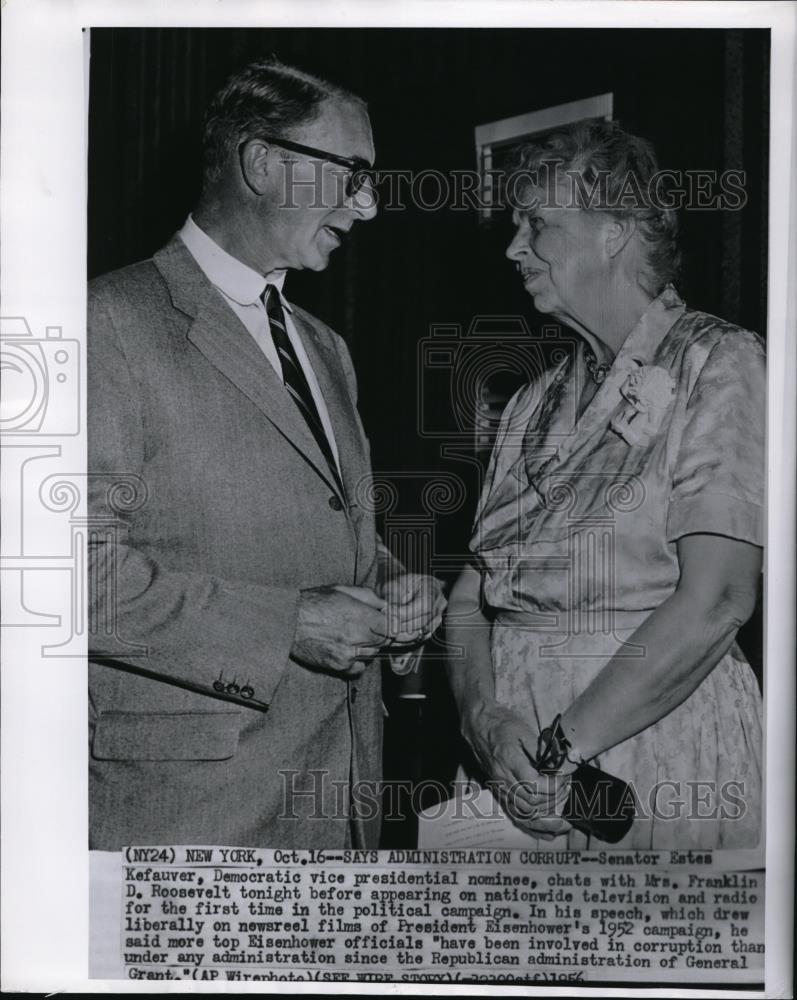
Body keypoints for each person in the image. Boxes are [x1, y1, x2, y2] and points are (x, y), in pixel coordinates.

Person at [88, 57, 444, 850]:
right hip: (190, 822)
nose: (369, 206)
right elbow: (63, 577)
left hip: (340, 806)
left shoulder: (326, 347)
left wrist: (389, 587)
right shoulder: (104, 324)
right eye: (352, 172)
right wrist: (286, 624)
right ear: (261, 163)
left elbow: (315, 539)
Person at [445, 120, 764, 849]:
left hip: (645, 753)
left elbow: (717, 598)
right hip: (511, 763)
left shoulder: (718, 364)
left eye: (537, 225)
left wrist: (560, 751)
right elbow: (469, 598)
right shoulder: (529, 402)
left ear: (614, 231)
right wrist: (483, 723)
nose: (512, 248)